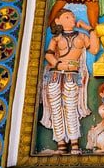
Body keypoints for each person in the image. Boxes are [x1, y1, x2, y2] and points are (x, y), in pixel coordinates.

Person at [40, 10, 98, 154]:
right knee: (56, 108)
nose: (72, 18)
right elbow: (48, 54)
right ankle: (60, 144)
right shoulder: (56, 38)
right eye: (67, 17)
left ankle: (74, 144)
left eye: (72, 16)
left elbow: (95, 49)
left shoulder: (82, 36)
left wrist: (88, 28)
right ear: (58, 21)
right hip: (55, 75)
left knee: (71, 108)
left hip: (73, 75)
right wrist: (58, 64)